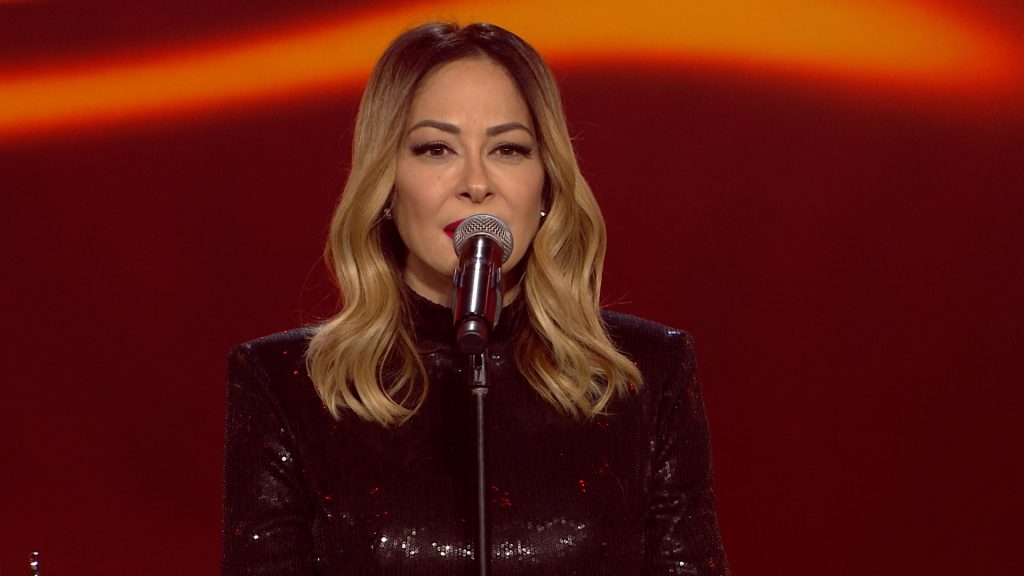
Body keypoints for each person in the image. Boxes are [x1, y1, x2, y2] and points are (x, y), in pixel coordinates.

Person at [223, 22, 730, 576]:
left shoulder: (647, 375)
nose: (476, 182)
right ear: (387, 184)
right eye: (435, 149)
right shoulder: (288, 384)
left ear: (545, 183)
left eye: (508, 149)